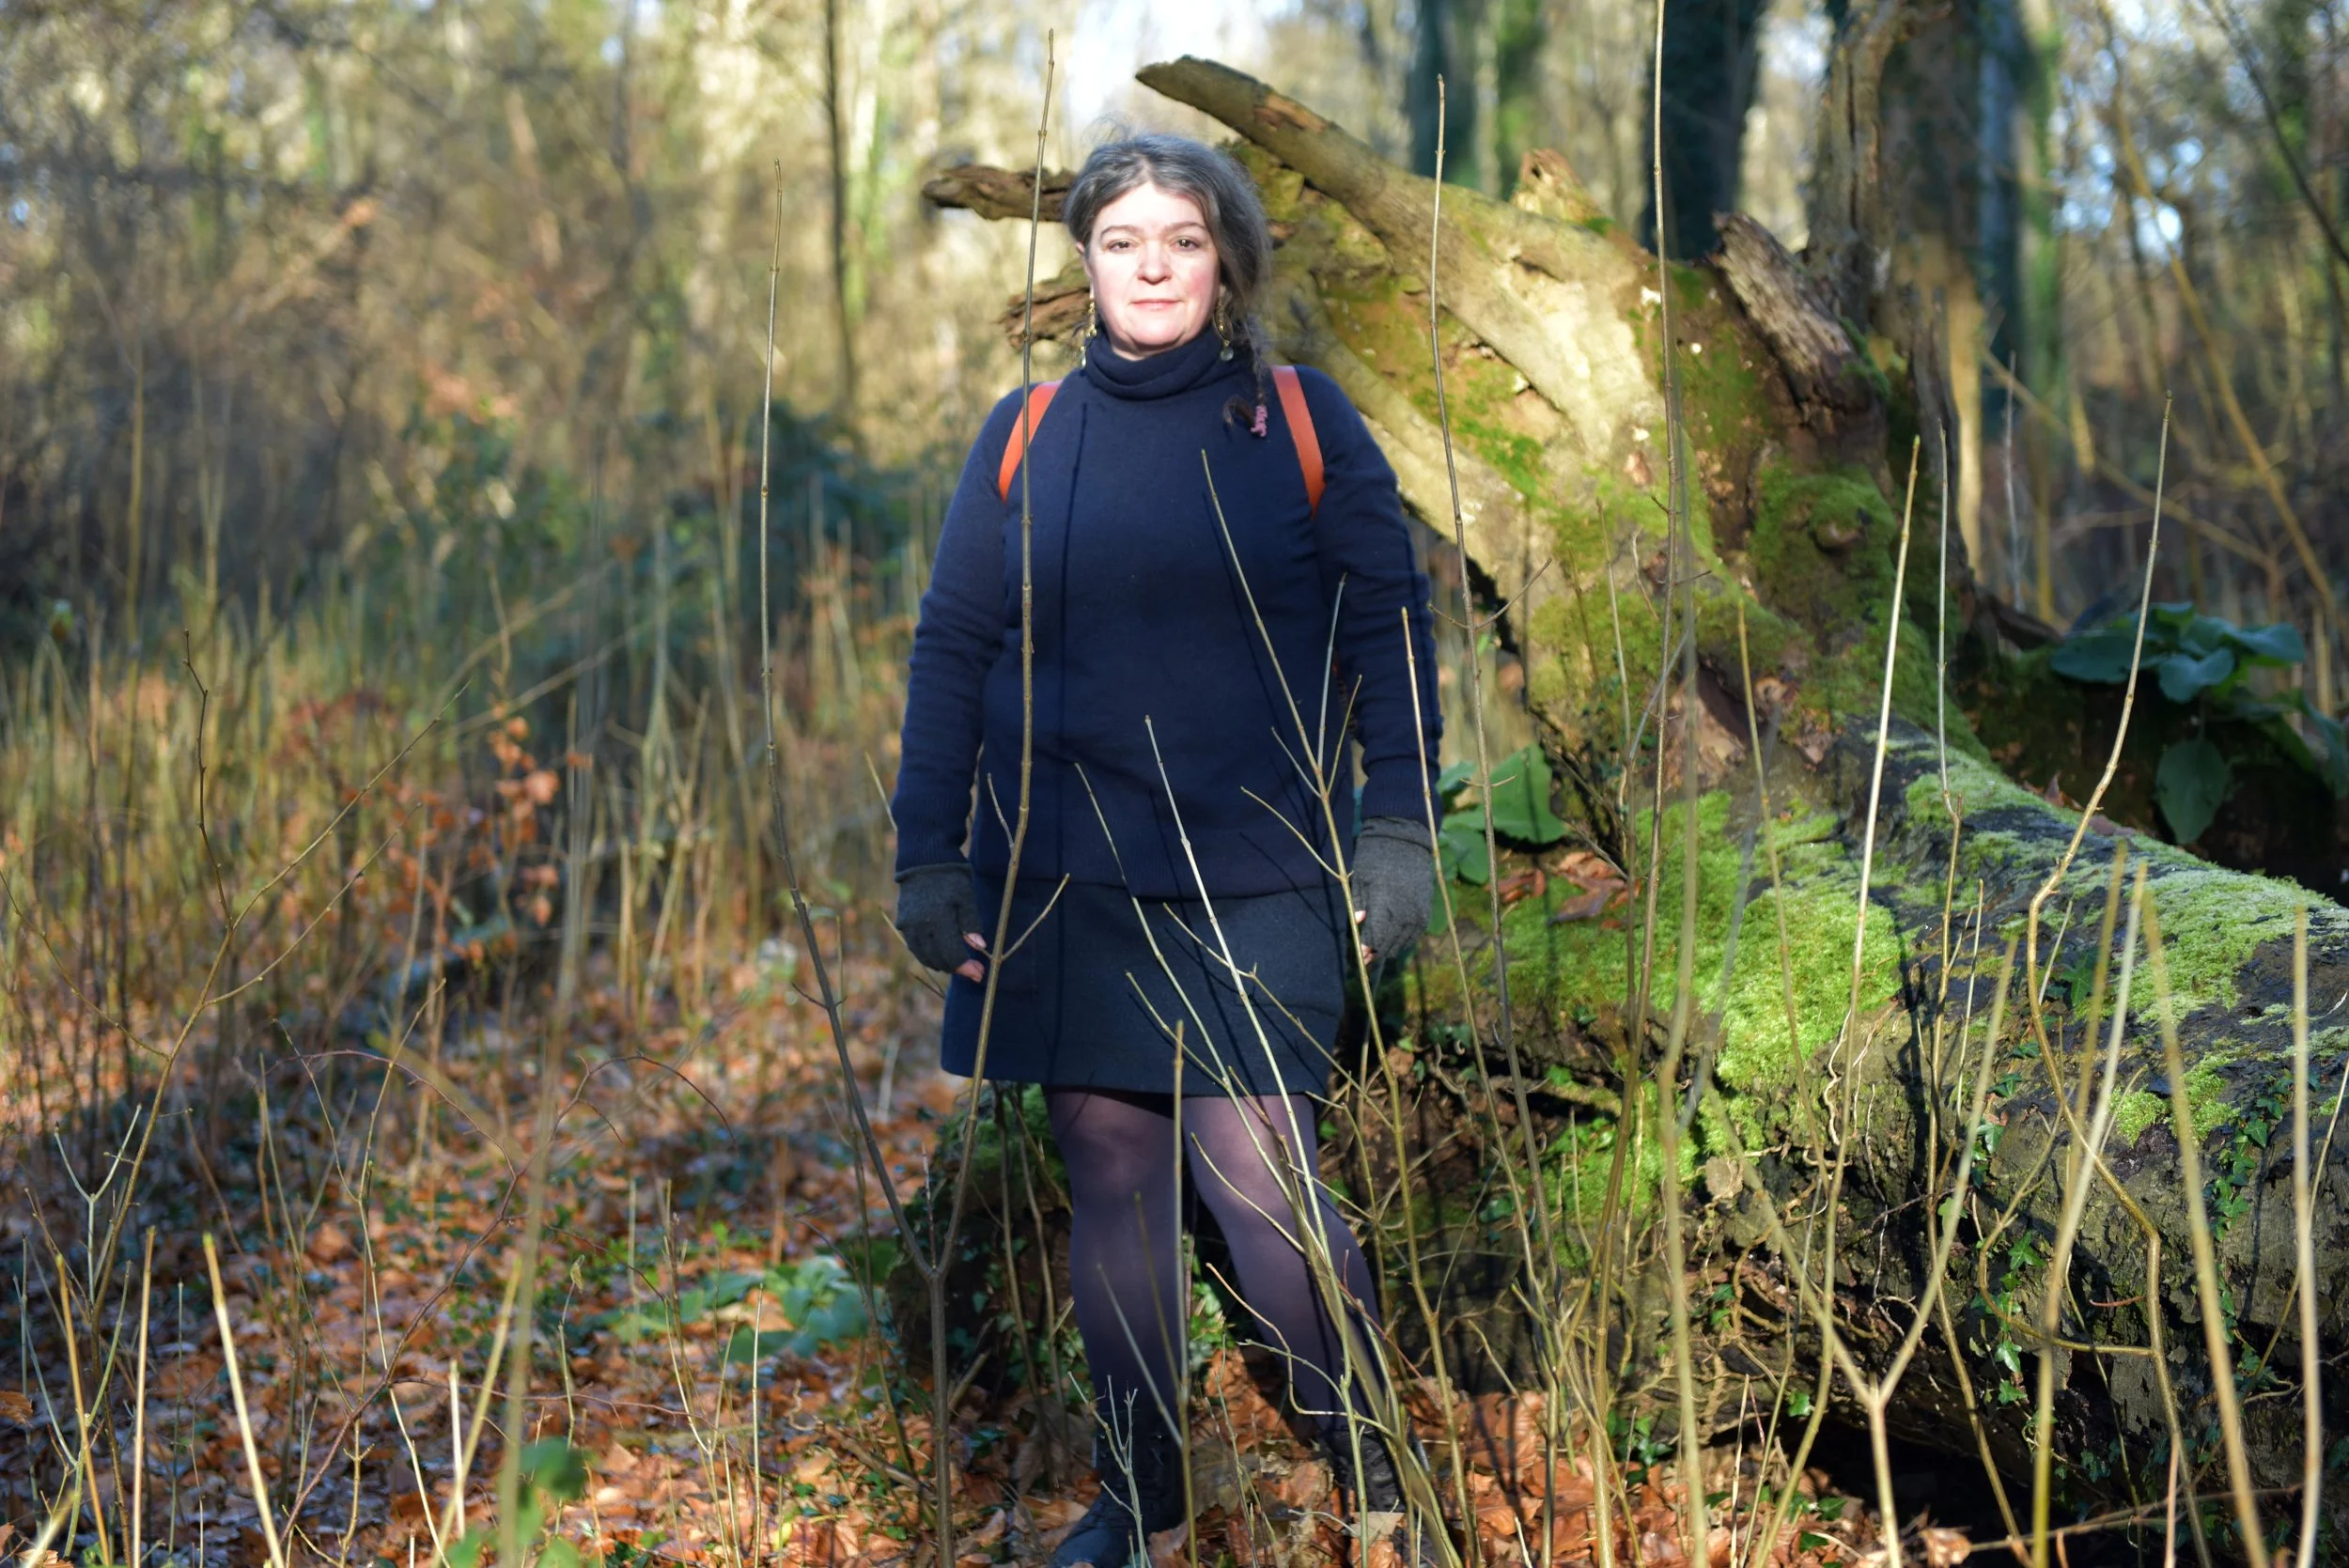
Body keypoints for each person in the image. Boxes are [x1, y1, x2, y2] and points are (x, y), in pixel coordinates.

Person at [890, 131, 1441, 1567]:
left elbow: (1390, 629)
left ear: (1226, 264)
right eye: (1123, 241)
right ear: (1084, 261)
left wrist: (1399, 827)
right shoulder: (1027, 433)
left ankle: (1381, 1478)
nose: (1152, 268)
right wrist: (927, 852)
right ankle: (1143, 1498)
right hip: (1062, 877)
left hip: (1255, 868)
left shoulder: (1302, 424)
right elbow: (954, 646)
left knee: (1264, 1183)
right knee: (1116, 1181)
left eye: (1182, 241)